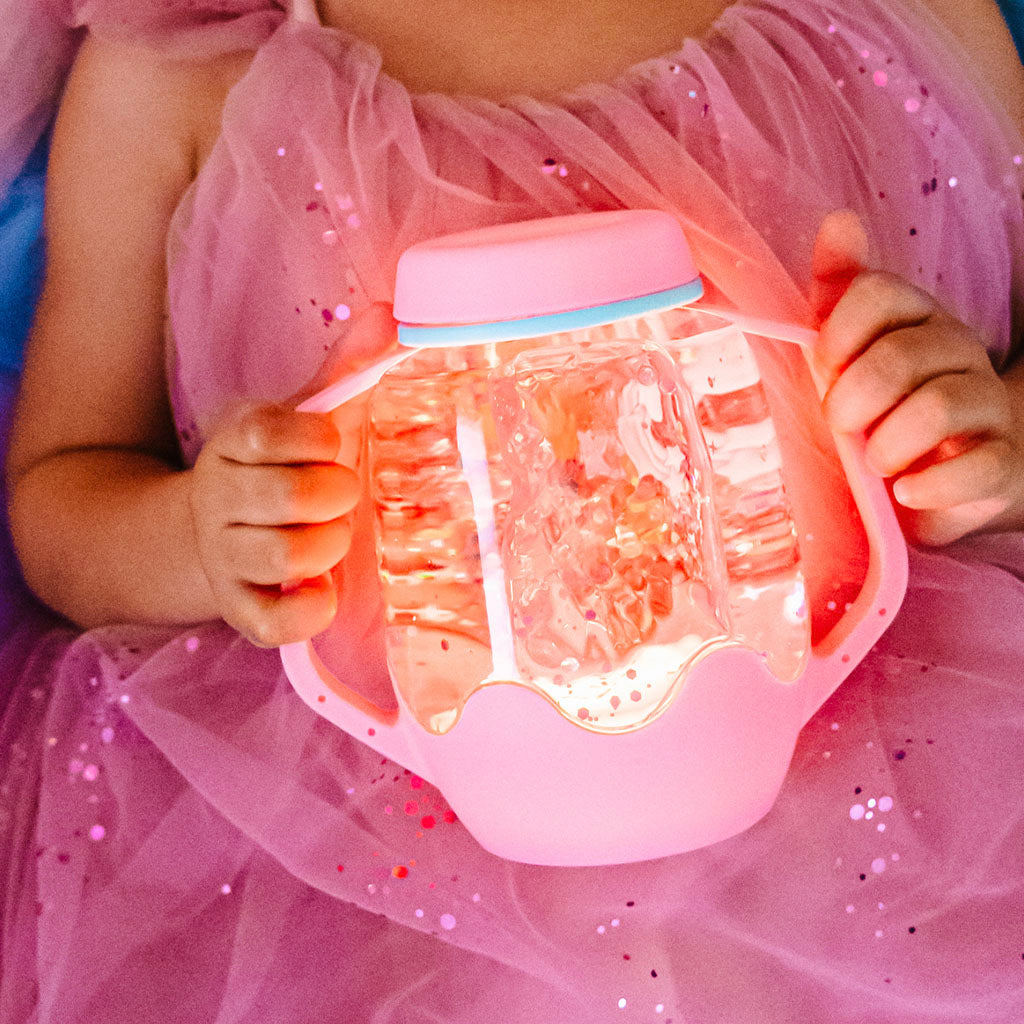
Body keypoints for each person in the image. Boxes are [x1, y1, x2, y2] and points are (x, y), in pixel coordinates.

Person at [0, 0, 1022, 1020]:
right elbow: (62, 492)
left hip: (892, 779)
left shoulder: (899, 18)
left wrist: (986, 441)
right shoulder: (182, 72)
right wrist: (199, 536)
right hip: (368, 847)